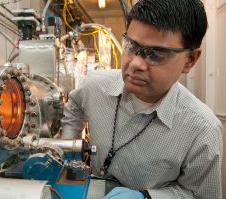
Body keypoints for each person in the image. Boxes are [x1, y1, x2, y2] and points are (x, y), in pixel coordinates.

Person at [60, 0, 223, 198]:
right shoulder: (95, 86)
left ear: (189, 60)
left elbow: (199, 195)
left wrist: (146, 197)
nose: (136, 63)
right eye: (131, 46)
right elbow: (74, 106)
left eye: (155, 55)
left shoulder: (202, 130)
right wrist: (70, 149)